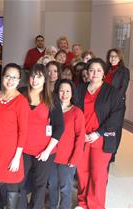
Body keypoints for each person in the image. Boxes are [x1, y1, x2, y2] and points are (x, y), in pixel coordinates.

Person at [75, 58, 123, 209]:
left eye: (98, 70)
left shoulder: (112, 92)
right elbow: (74, 112)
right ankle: (82, 203)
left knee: (98, 175)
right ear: (87, 73)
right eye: (91, 70)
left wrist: (98, 133)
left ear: (103, 73)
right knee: (82, 173)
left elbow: (116, 117)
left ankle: (95, 205)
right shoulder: (80, 89)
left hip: (101, 138)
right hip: (82, 138)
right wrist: (80, 133)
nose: (94, 73)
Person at [0, 63, 30, 209]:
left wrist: (17, 157)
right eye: (8, 76)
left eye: (15, 77)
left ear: (19, 80)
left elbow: (23, 131)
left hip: (11, 151)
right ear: (2, 77)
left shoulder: (21, 101)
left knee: (12, 187)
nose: (10, 80)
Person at [18, 64, 64, 209]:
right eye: (32, 76)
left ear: (45, 79)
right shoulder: (20, 94)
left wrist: (47, 151)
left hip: (43, 151)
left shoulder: (52, 98)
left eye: (39, 77)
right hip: (22, 148)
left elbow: (59, 127)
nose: (35, 80)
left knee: (39, 184)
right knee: (19, 182)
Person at [48, 79, 85, 209]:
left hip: (68, 158)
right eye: (61, 91)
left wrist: (75, 159)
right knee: (52, 185)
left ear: (72, 93)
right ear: (56, 92)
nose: (64, 94)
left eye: (67, 91)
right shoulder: (51, 109)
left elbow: (80, 138)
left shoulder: (77, 112)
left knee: (65, 187)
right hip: (51, 155)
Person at [105, 48, 130, 162]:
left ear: (119, 58)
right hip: (105, 102)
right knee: (105, 125)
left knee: (115, 128)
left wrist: (113, 101)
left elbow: (123, 88)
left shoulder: (124, 71)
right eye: (110, 56)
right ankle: (105, 150)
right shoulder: (106, 69)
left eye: (115, 56)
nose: (113, 58)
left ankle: (113, 153)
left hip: (117, 103)